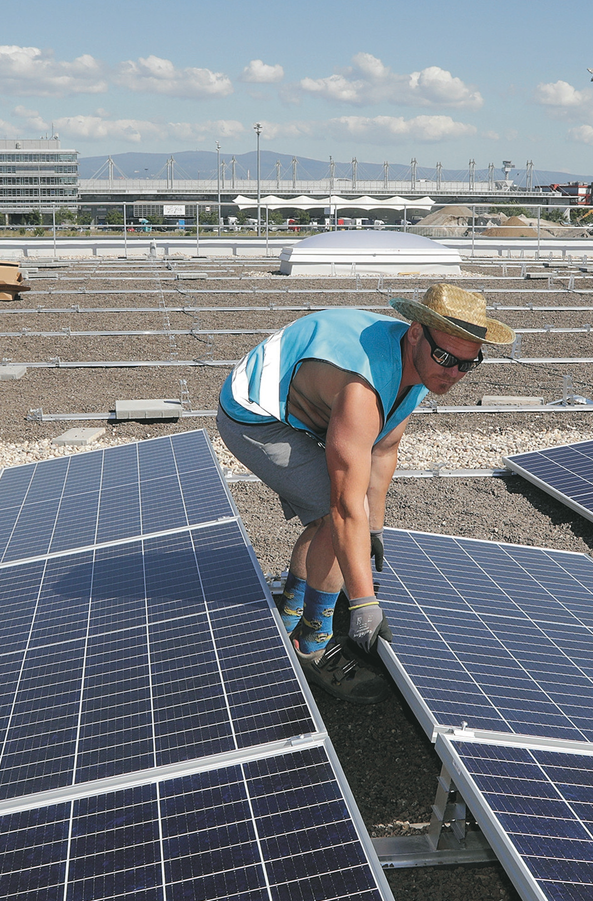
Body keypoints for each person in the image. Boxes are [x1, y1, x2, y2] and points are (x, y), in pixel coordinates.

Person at [218, 284, 513, 702]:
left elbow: (384, 449)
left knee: (345, 523)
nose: (452, 374)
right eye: (446, 359)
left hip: (308, 400)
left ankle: (290, 611)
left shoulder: (421, 366)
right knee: (330, 513)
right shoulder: (364, 386)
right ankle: (312, 643)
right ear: (415, 332)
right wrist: (363, 604)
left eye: (468, 364)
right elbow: (342, 509)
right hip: (254, 411)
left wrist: (372, 528)